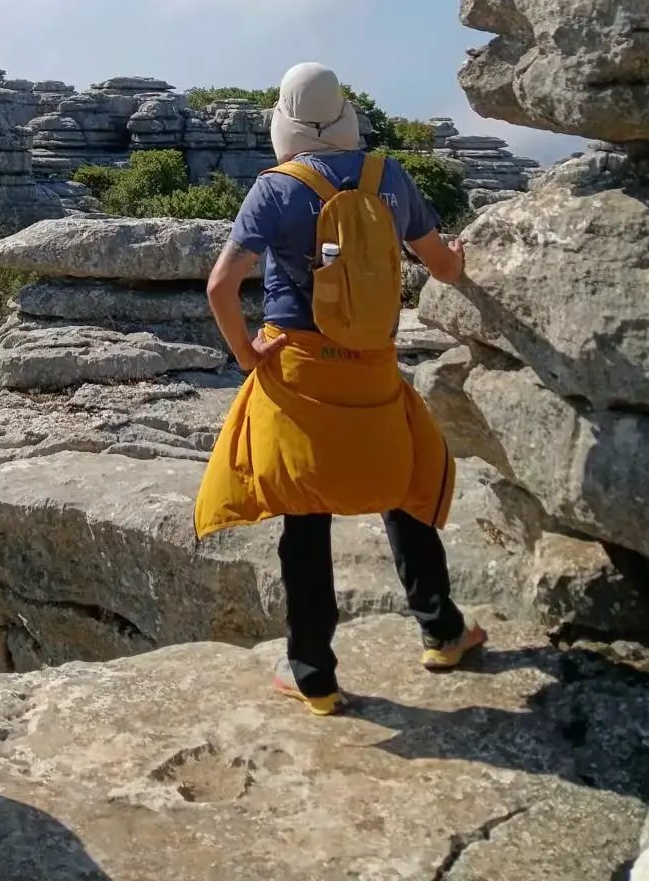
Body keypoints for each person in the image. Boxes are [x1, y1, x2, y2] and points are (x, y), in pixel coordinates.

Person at [194, 62, 486, 716]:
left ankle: (313, 674)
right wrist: (461, 255)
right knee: (408, 485)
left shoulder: (275, 189)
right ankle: (442, 631)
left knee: (305, 512)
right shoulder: (389, 178)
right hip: (373, 366)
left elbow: (220, 287)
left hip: (297, 370)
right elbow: (440, 265)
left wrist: (247, 354)